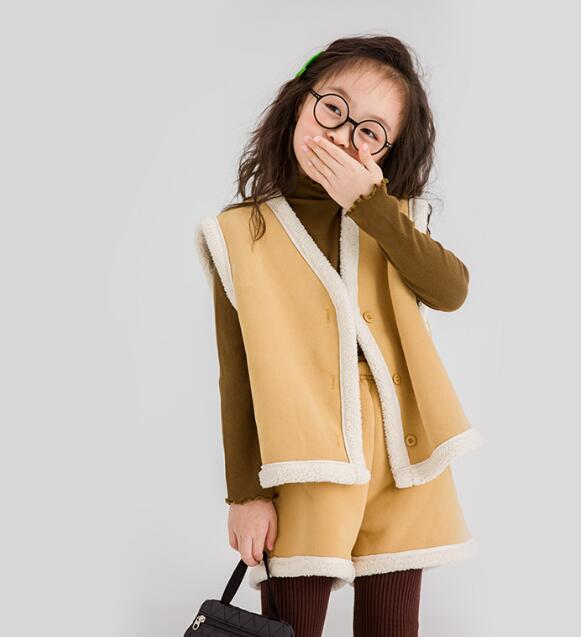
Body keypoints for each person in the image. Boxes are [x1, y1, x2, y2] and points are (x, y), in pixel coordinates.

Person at [195, 35, 484, 637]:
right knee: (293, 625)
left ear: (388, 152)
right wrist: (245, 495)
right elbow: (236, 370)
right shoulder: (239, 232)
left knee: (392, 625)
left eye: (371, 132)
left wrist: (370, 204)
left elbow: (451, 290)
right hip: (301, 453)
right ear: (300, 102)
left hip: (402, 456)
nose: (344, 136)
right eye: (333, 109)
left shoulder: (395, 218)